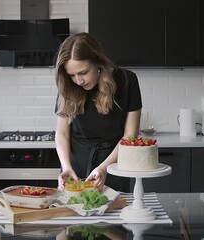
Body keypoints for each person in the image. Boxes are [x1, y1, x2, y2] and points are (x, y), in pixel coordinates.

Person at [54, 32, 142, 193]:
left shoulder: (127, 80)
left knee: (114, 213)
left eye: (83, 72)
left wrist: (103, 168)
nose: (78, 81)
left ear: (97, 62)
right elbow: (62, 133)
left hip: (114, 163)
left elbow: (130, 136)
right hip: (75, 166)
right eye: (72, 75)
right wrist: (66, 167)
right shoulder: (69, 86)